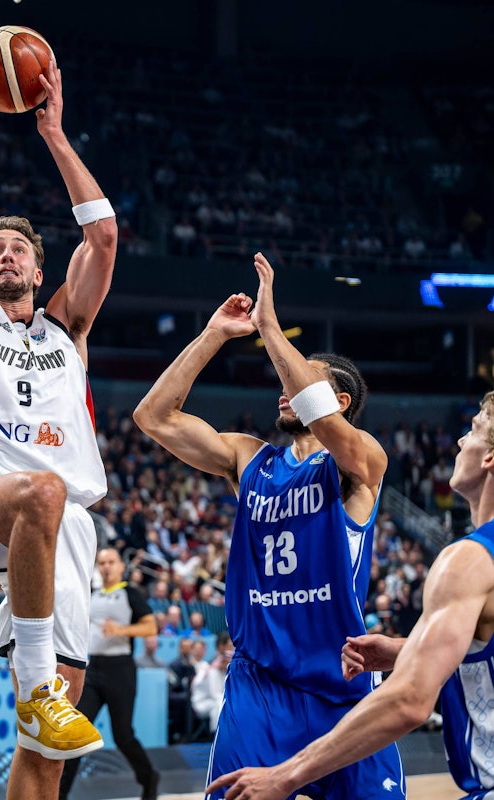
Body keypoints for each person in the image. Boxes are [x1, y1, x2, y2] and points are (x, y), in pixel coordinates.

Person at [133, 253, 404, 800]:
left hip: (343, 679)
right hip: (259, 684)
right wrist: (213, 334)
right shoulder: (249, 459)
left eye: (299, 376)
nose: (283, 383)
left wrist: (271, 327)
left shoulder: (359, 463)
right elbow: (153, 417)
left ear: (339, 401)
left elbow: (326, 422)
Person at [0, 28, 119, 787]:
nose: (5, 253)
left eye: (19, 249)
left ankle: (42, 701)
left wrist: (54, 135)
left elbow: (103, 235)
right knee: (40, 489)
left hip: (66, 531)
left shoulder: (68, 328)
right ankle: (38, 688)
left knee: (46, 751)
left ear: (40, 270)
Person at [205, 389, 494, 799]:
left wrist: (284, 775)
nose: (461, 439)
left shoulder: (470, 560)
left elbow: (409, 701)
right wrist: (403, 651)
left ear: (489, 458)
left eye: (474, 430)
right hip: (269, 682)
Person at [60, 547, 159, 799]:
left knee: (123, 736)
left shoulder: (130, 594)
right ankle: (59, 795)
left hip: (120, 670)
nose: (106, 567)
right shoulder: (92, 595)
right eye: (102, 563)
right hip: (94, 670)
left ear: (121, 566)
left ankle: (149, 777)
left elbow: (150, 627)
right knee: (75, 732)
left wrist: (120, 630)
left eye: (111, 562)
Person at [190, 630, 232, 739]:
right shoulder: (212, 670)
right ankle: (217, 735)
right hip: (202, 702)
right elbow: (215, 695)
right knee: (219, 703)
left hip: (214, 700)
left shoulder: (227, 669)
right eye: (229, 645)